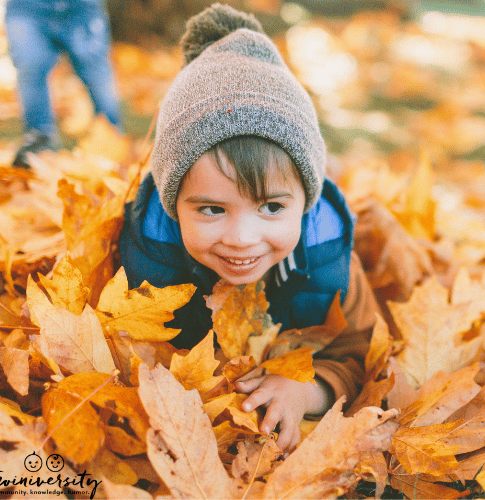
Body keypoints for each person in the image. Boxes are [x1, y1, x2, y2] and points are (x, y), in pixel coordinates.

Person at [119, 3, 380, 451]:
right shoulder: (145, 264)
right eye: (211, 210)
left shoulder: (327, 265)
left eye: (272, 208)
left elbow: (358, 355)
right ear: (172, 204)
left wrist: (307, 388)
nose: (241, 239)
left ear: (306, 202)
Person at [5, 0, 122, 168]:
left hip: (80, 7)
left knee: (95, 71)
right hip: (26, 7)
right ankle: (39, 141)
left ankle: (112, 137)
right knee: (31, 67)